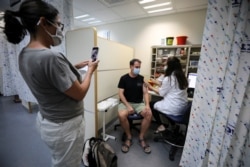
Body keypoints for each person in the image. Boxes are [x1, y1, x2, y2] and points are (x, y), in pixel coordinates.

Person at [3, 0, 99, 167]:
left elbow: (46, 78)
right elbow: (80, 92)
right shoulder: (51, 57)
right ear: (43, 23)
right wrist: (90, 71)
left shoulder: (25, 54)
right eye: (58, 25)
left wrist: (73, 67)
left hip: (47, 120)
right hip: (66, 127)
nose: (59, 30)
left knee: (59, 160)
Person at [145, 56, 188, 133]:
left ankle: (161, 125)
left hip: (173, 107)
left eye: (166, 64)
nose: (165, 66)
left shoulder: (169, 78)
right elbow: (171, 87)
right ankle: (173, 125)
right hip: (183, 107)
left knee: (152, 104)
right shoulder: (182, 76)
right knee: (162, 106)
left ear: (170, 66)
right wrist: (157, 82)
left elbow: (161, 93)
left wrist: (150, 87)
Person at [117, 58, 152, 154]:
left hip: (138, 103)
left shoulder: (141, 78)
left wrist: (147, 105)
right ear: (131, 66)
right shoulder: (123, 78)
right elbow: (120, 94)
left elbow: (145, 93)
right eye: (136, 67)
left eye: (139, 67)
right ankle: (129, 137)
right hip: (125, 102)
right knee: (121, 115)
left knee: (148, 113)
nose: (138, 69)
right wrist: (128, 106)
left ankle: (141, 137)